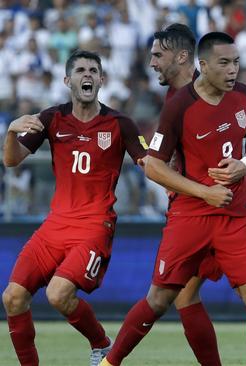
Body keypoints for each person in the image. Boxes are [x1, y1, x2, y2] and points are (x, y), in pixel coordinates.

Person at [100, 31, 246, 366]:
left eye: (158, 56)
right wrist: (194, 187)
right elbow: (156, 163)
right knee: (185, 295)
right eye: (226, 63)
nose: (152, 62)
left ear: (184, 58)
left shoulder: (228, 89)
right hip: (196, 205)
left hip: (234, 202)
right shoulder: (177, 103)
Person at [1, 50, 146, 366]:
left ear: (102, 80)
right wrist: (11, 131)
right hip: (55, 225)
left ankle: (102, 344)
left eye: (94, 70)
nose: (88, 75)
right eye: (80, 70)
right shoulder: (52, 118)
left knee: (58, 294)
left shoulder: (120, 123)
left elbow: (151, 165)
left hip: (95, 225)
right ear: (68, 80)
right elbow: (10, 160)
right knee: (12, 298)